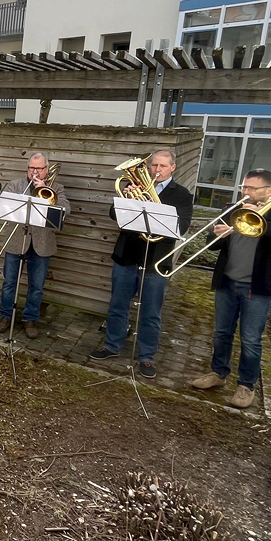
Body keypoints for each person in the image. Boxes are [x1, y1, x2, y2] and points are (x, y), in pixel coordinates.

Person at [191, 169, 271, 408]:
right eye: (244, 187)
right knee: (221, 333)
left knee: (250, 340)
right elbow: (212, 247)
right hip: (227, 282)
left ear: (269, 191)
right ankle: (218, 374)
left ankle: (246, 386)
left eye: (251, 188)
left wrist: (263, 221)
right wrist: (217, 236)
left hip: (257, 288)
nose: (245, 192)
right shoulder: (231, 210)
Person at [91, 150, 193, 379]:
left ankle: (147, 356)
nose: (157, 170)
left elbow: (182, 227)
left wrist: (156, 211)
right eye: (153, 165)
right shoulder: (132, 186)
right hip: (127, 255)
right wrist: (126, 200)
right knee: (117, 305)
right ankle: (111, 345)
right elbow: (113, 214)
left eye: (163, 166)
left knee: (150, 312)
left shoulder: (183, 195)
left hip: (156, 260)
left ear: (173, 168)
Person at [0, 153, 69, 338]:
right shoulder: (16, 185)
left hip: (42, 243)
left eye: (38, 168)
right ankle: (6, 316)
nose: (34, 172)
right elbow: (5, 207)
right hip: (16, 240)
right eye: (31, 168)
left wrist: (44, 190)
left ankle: (30, 319)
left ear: (47, 169)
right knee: (9, 282)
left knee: (36, 285)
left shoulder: (56, 187)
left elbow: (65, 209)